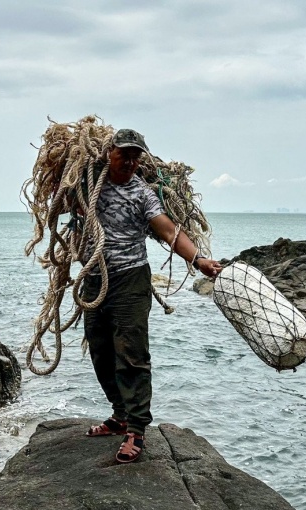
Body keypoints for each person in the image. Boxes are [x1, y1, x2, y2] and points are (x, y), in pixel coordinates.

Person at [80, 128, 222, 463]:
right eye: (123, 154)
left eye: (135, 156)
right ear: (109, 151)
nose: (129, 161)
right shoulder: (87, 183)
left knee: (131, 354)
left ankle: (137, 430)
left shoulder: (142, 194)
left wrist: (198, 259)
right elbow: (58, 192)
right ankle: (120, 415)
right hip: (94, 278)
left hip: (130, 280)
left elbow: (169, 230)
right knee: (100, 351)